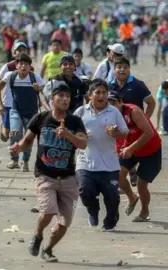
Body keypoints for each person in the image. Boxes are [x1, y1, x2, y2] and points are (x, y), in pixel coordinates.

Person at [10, 83, 87, 262]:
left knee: (63, 224)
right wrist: (18, 148)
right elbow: (27, 140)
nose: (65, 99)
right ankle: (37, 235)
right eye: (61, 96)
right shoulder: (41, 118)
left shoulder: (75, 122)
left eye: (68, 96)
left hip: (68, 179)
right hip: (45, 176)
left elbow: (83, 144)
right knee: (49, 211)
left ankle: (48, 249)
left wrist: (68, 135)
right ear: (52, 100)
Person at [74, 79, 128, 231]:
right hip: (86, 162)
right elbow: (71, 134)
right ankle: (93, 210)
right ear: (90, 95)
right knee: (84, 192)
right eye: (97, 92)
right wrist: (81, 136)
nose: (101, 96)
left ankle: (110, 221)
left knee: (112, 198)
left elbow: (125, 134)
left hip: (109, 164)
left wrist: (116, 133)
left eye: (104, 92)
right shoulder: (80, 112)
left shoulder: (114, 112)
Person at [108, 92, 162, 223]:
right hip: (130, 146)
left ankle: (144, 211)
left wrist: (130, 148)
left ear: (120, 102)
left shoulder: (133, 111)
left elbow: (149, 133)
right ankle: (132, 197)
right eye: (108, 103)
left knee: (141, 185)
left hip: (150, 150)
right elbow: (119, 136)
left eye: (114, 102)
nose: (111, 106)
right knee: (118, 175)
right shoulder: (108, 115)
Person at [0, 53, 45, 172]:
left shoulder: (34, 77)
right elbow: (0, 84)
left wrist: (38, 89)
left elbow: (44, 90)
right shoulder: (11, 76)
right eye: (20, 64)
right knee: (14, 133)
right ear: (16, 65)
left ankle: (25, 161)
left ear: (29, 66)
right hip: (16, 110)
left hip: (31, 113)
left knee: (28, 138)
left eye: (26, 64)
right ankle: (14, 159)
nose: (23, 66)